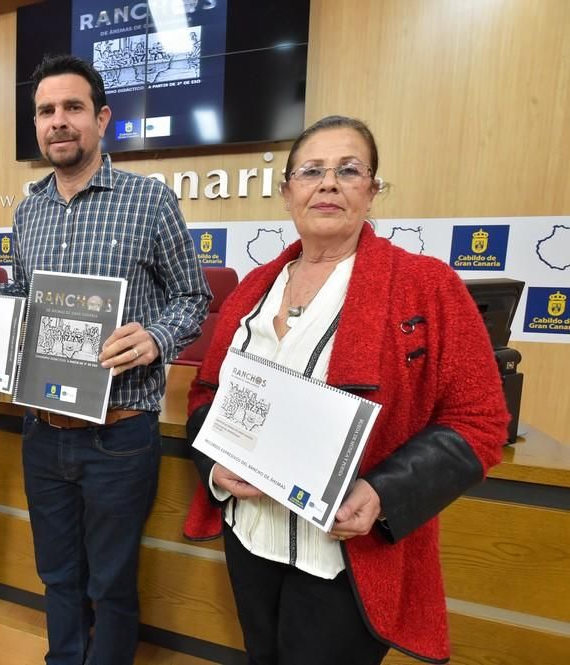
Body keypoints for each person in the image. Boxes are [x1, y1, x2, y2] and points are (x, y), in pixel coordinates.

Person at [185, 116, 509, 664]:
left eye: (349, 170)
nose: (329, 183)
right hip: (252, 535)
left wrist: (383, 492)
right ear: (288, 192)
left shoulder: (426, 286)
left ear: (372, 190)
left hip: (345, 550)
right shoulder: (252, 291)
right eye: (312, 171)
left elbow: (479, 421)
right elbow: (205, 396)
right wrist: (215, 466)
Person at [0, 54, 210, 665]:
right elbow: (27, 299)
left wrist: (159, 337)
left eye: (72, 108)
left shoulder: (150, 201)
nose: (58, 122)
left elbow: (194, 298)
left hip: (119, 432)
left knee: (110, 585)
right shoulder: (29, 210)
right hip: (42, 429)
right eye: (45, 111)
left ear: (102, 118)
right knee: (56, 575)